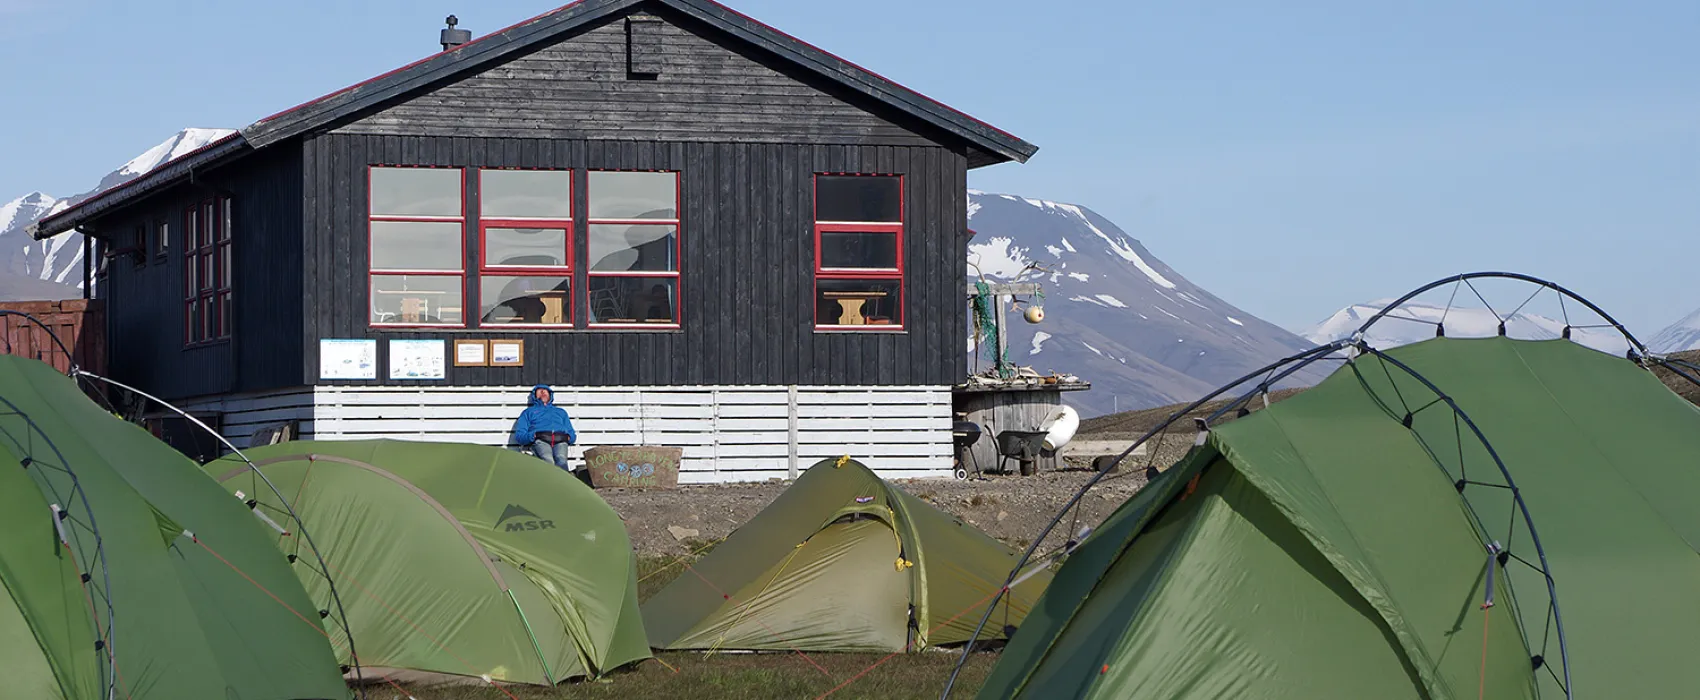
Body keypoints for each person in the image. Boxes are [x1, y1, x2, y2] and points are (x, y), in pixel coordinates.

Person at [511, 384, 577, 470]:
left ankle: (562, 483)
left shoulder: (561, 412)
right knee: (548, 461)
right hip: (541, 440)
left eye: (545, 390)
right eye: (539, 390)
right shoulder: (528, 412)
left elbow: (571, 433)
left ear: (550, 395)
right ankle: (549, 483)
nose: (543, 392)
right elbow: (520, 436)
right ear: (534, 395)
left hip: (560, 439)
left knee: (562, 461)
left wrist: (569, 437)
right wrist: (533, 436)